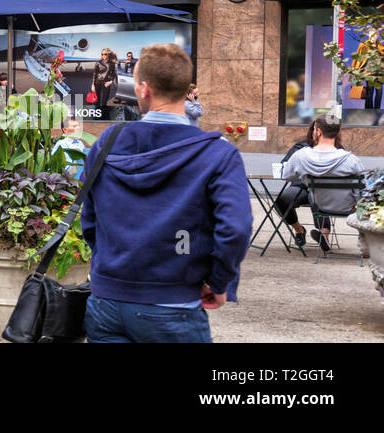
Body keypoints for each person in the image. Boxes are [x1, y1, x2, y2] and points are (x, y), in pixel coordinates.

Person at [82, 43, 251, 344]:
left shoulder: (107, 142)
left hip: (106, 301)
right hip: (174, 304)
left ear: (144, 90)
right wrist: (219, 280)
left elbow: (89, 215)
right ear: (186, 89)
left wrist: (110, 262)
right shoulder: (219, 153)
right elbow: (235, 228)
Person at [275, 116, 365, 253]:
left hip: (319, 197)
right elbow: (362, 186)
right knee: (303, 196)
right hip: (343, 203)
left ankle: (324, 235)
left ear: (318, 132)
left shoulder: (300, 155)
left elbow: (286, 176)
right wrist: (357, 201)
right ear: (337, 132)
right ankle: (301, 230)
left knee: (315, 195)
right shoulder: (351, 159)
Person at [92, 48, 117, 114]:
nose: (103, 55)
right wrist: (92, 85)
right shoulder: (98, 62)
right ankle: (97, 115)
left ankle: (103, 115)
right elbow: (95, 73)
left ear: (108, 55)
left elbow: (113, 74)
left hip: (106, 83)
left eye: (105, 54)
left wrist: (110, 82)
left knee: (104, 102)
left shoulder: (111, 63)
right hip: (97, 83)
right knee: (97, 101)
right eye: (102, 54)